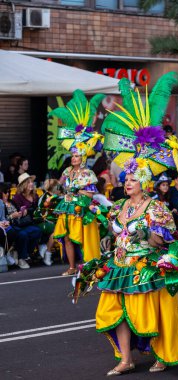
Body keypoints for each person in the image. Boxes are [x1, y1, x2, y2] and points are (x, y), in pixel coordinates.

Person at [92, 73, 178, 375]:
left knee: (151, 315)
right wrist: (110, 239)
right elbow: (115, 234)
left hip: (145, 269)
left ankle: (162, 354)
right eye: (126, 179)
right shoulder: (121, 206)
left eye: (132, 180)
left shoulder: (157, 208)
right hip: (120, 266)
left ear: (145, 183)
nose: (127, 183)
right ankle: (125, 360)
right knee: (115, 313)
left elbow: (163, 242)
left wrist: (150, 236)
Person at [49, 89, 107, 275]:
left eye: (76, 156)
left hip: (81, 209)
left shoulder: (88, 173)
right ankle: (72, 267)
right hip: (66, 207)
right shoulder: (66, 170)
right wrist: (53, 187)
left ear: (82, 158)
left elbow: (90, 194)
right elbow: (59, 185)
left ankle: (88, 266)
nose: (73, 158)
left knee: (82, 238)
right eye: (72, 155)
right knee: (66, 238)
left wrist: (75, 191)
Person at [0, 183, 42, 269]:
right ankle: (21, 257)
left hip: (20, 222)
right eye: (5, 192)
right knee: (23, 234)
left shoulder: (11, 202)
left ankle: (26, 254)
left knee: (37, 231)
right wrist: (12, 216)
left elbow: (18, 210)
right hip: (12, 224)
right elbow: (4, 218)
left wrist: (22, 213)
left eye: (8, 191)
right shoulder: (1, 204)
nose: (7, 194)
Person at [34, 179, 63, 266]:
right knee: (57, 231)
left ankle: (46, 248)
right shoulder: (49, 198)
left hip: (51, 222)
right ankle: (48, 253)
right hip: (43, 222)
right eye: (59, 187)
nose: (60, 189)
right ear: (54, 188)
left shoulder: (51, 196)